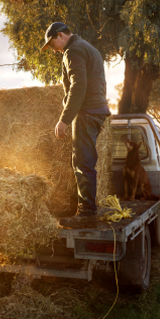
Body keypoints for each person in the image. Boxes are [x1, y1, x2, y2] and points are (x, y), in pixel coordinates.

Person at [41, 22, 110, 229]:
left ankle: (87, 214)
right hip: (96, 109)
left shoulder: (73, 51)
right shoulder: (89, 47)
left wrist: (65, 119)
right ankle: (87, 209)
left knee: (82, 162)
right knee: (85, 160)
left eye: (52, 44)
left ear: (61, 35)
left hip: (87, 112)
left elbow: (78, 85)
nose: (53, 49)